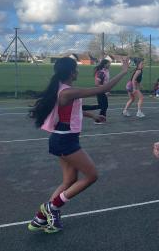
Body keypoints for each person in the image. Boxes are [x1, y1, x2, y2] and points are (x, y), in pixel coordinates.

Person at [27, 57, 129, 233]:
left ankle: (41, 218)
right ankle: (52, 208)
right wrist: (124, 71)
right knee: (92, 175)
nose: (78, 72)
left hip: (62, 138)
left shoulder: (63, 90)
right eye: (76, 69)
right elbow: (104, 89)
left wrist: (94, 116)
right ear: (71, 72)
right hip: (65, 140)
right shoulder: (67, 92)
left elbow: (74, 109)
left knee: (69, 180)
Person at [93, 59, 111, 124]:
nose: (110, 65)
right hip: (100, 91)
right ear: (105, 64)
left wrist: (108, 90)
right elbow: (97, 84)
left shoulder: (106, 71)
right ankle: (98, 120)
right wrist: (105, 89)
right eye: (109, 63)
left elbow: (107, 81)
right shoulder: (101, 72)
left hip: (104, 91)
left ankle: (102, 119)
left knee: (103, 105)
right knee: (104, 106)